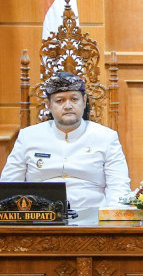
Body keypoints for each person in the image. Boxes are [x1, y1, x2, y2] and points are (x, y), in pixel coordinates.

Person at [1, 72, 130, 209]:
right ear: (48, 105)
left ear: (84, 101)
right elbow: (9, 186)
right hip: (41, 219)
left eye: (74, 99)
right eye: (60, 101)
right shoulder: (28, 136)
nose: (68, 106)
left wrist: (114, 222)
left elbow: (119, 187)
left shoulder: (106, 137)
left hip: (92, 218)